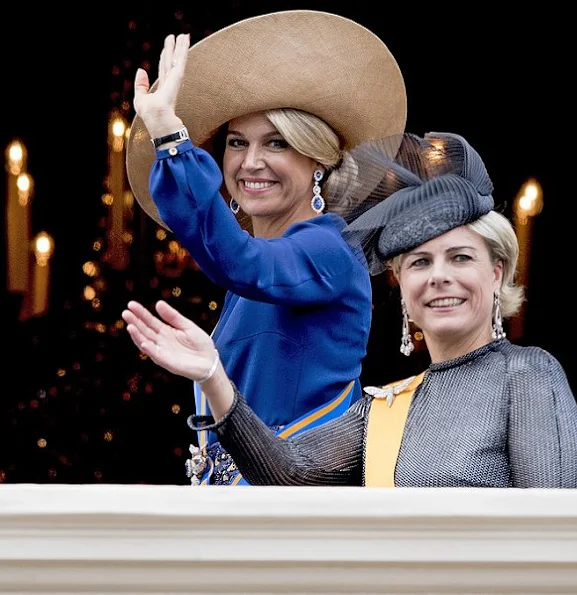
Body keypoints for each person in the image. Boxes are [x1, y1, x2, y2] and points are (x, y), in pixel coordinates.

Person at [123, 129, 577, 488]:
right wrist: (213, 376)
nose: (438, 276)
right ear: (402, 288)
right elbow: (288, 474)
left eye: (461, 257)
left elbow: (557, 537)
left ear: (496, 273)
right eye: (419, 263)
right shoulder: (382, 409)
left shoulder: (528, 374)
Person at [124, 10, 408, 485]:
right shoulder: (247, 279)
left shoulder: (330, 249)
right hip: (238, 513)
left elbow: (243, 261)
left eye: (276, 143)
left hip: (300, 514)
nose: (251, 162)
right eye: (237, 143)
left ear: (317, 158)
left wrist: (169, 135)